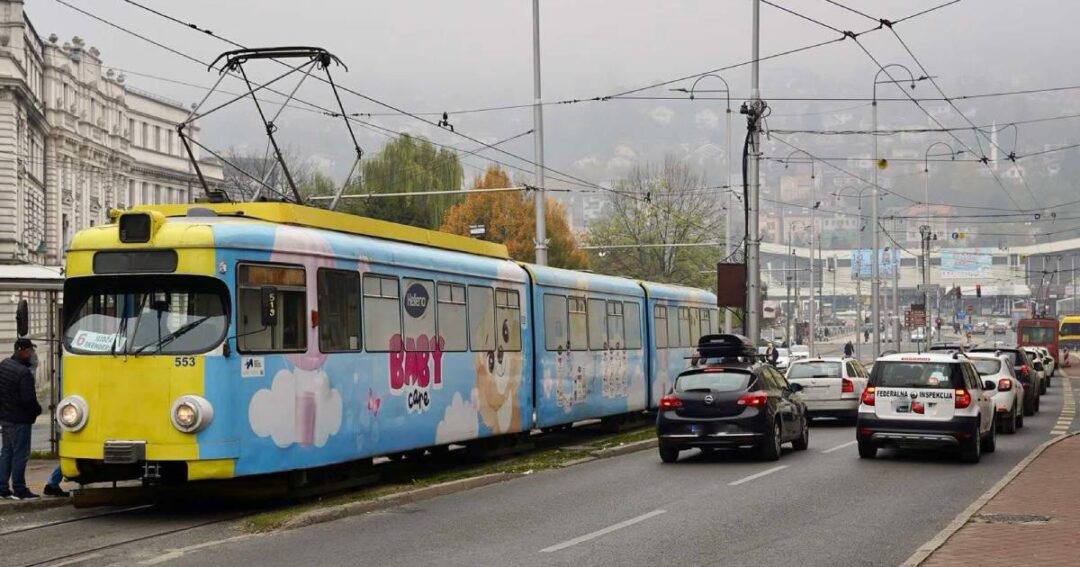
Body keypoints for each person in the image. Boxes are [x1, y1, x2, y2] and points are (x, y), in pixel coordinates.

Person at [0, 339, 43, 500]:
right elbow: (29, 400)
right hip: (20, 420)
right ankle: (20, 489)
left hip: (6, 419)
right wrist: (37, 411)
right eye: (30, 351)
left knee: (6, 453)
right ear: (22, 351)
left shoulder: (4, 365)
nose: (32, 354)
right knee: (20, 455)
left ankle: (2, 487)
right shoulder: (24, 373)